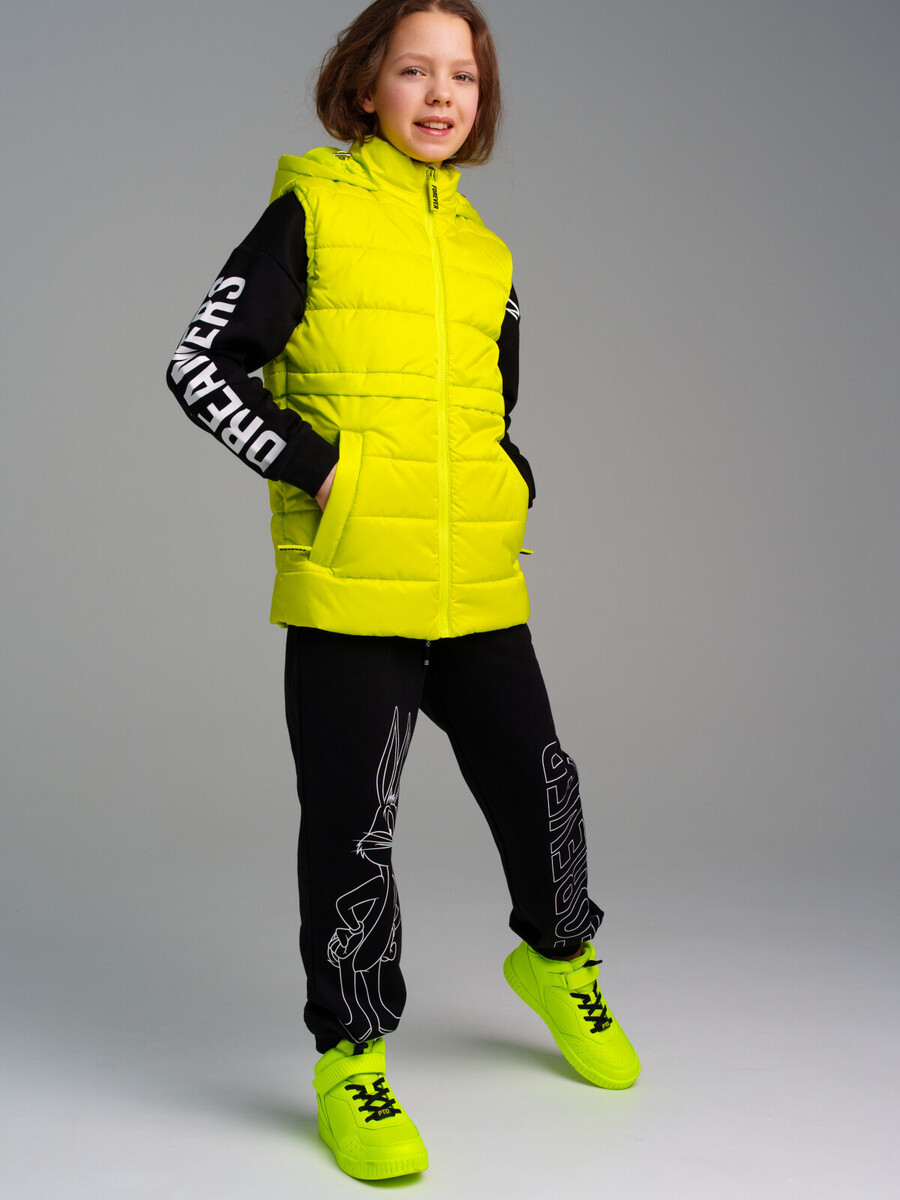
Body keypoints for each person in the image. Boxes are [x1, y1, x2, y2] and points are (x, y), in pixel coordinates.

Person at [167, 0, 639, 1181]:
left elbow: (493, 407)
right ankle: (352, 1057)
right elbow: (198, 366)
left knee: (542, 785)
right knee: (354, 828)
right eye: (415, 71)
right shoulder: (311, 212)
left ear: (482, 99)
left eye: (462, 78)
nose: (440, 96)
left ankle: (559, 961)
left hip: (475, 579)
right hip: (351, 588)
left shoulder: (487, 253)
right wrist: (323, 470)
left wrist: (504, 486)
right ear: (365, 84)